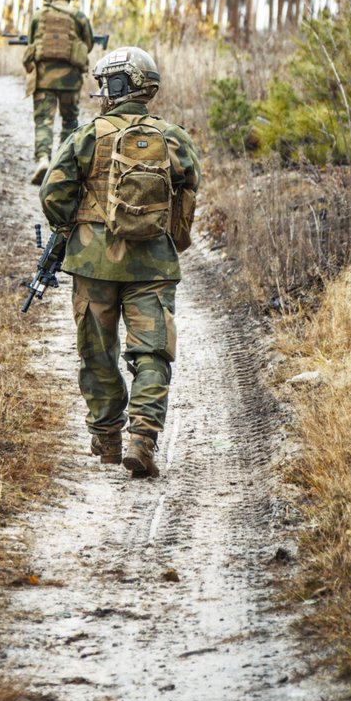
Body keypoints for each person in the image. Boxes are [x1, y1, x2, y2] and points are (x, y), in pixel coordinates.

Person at [39, 47, 202, 478]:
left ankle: (108, 439)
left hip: (93, 262)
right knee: (152, 351)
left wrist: (77, 225)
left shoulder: (86, 135)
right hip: (152, 262)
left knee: (97, 351)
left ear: (117, 86)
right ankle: (142, 438)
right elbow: (190, 186)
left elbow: (53, 197)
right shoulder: (172, 137)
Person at [24, 0, 95, 185]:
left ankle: (43, 159)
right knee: (70, 121)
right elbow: (88, 44)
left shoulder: (39, 15)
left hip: (44, 79)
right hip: (71, 80)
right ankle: (62, 165)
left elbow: (31, 43)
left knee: (43, 121)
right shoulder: (79, 16)